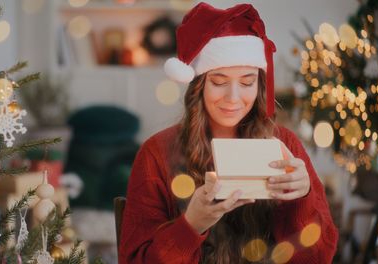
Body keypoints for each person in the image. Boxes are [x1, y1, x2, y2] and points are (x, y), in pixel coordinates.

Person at [119, 2, 338, 263]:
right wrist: (191, 225)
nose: (233, 98)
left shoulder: (284, 145)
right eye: (219, 81)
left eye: (247, 82)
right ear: (198, 85)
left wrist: (300, 199)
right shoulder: (158, 154)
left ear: (259, 85)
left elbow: (318, 257)